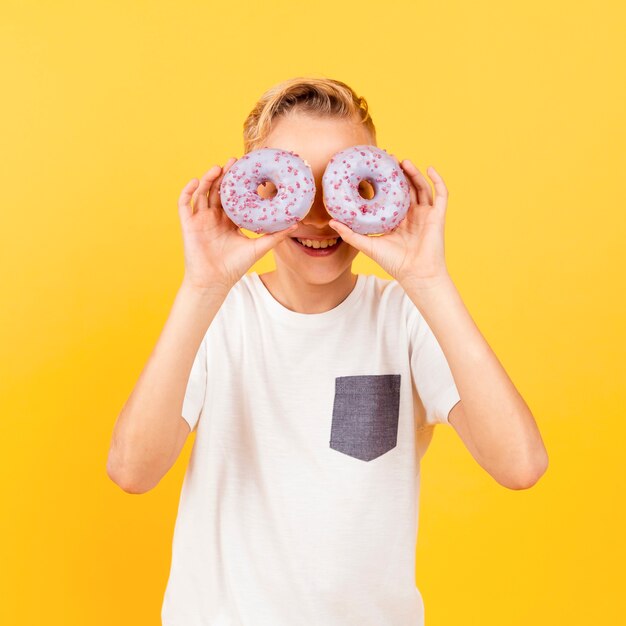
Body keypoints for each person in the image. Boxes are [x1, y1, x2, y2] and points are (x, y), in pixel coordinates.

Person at [106, 76, 549, 626]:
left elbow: (521, 464)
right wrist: (201, 288)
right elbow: (132, 470)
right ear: (255, 192)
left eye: (337, 185)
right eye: (295, 186)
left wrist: (428, 279)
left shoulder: (404, 318)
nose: (319, 218)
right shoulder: (219, 315)